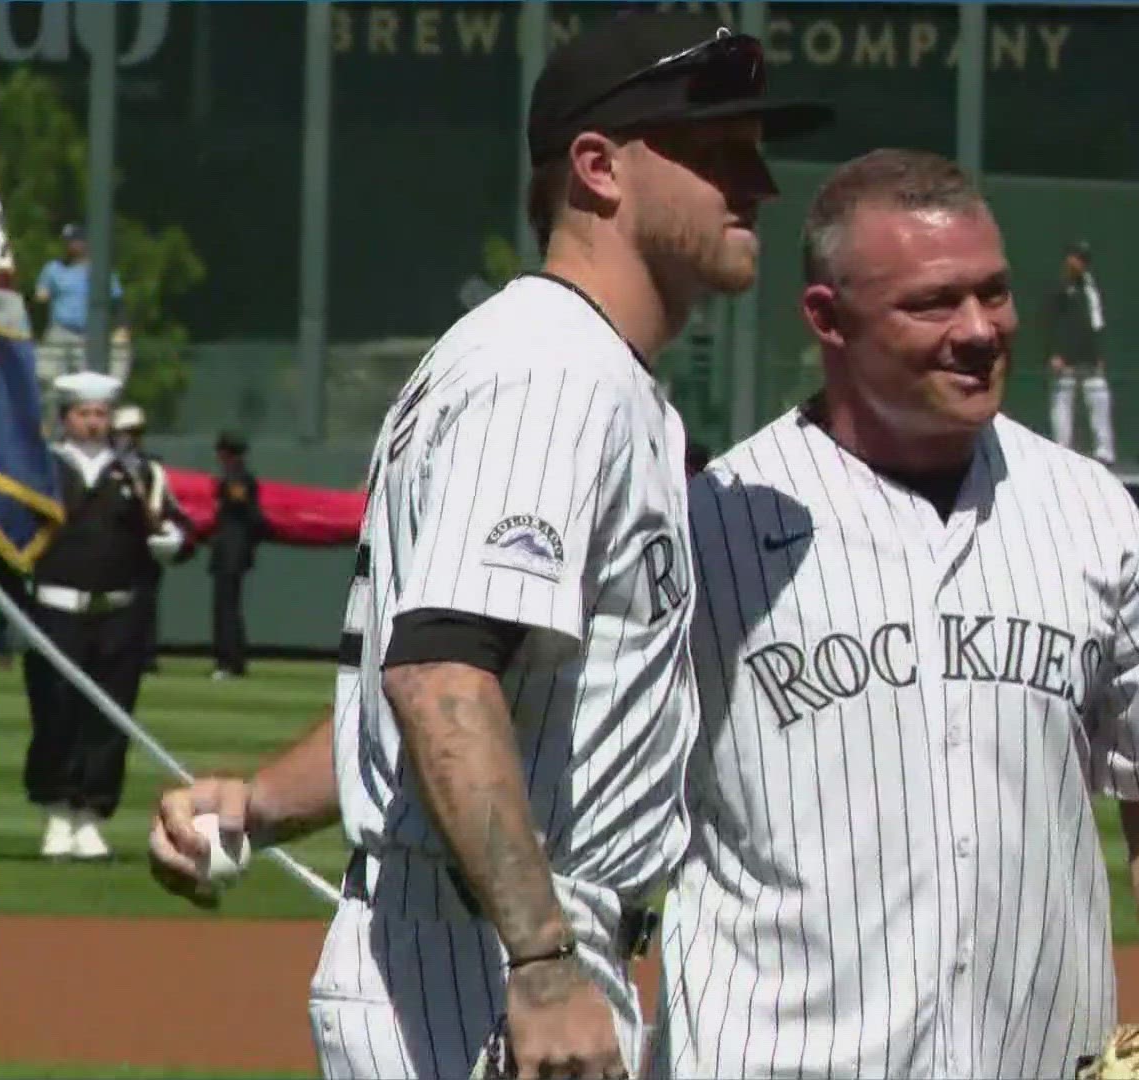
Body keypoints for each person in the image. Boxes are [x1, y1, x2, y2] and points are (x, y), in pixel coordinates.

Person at [144, 14, 829, 1079]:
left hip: (492, 938)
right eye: (717, 150)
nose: (759, 183)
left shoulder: (585, 374)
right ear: (598, 169)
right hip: (491, 959)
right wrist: (544, 959)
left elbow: (455, 684)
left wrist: (258, 805)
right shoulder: (551, 371)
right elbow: (440, 676)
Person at [660, 149, 1139, 1080]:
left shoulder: (1089, 512)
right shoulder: (716, 522)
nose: (979, 329)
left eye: (995, 293)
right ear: (828, 319)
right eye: (934, 302)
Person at [25, 371, 185, 861]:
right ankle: (56, 813)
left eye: (100, 414)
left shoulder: (139, 473)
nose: (93, 423)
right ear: (65, 417)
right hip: (55, 611)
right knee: (55, 714)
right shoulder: (40, 470)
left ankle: (91, 815)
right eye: (83, 414)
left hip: (117, 614)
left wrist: (171, 542)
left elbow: (174, 523)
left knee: (109, 718)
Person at [112, 405, 193, 674]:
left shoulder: (151, 469)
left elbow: (164, 507)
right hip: (112, 545)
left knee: (144, 602)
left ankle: (143, 654)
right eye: (127, 432)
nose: (132, 439)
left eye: (136, 433)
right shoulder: (107, 466)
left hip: (141, 547)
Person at [32, 224, 128, 386]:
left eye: (74, 241)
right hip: (59, 330)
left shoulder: (100, 270)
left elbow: (117, 302)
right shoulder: (54, 268)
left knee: (85, 382)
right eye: (68, 241)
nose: (70, 245)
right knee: (47, 379)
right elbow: (40, 300)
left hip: (87, 335)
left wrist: (122, 327)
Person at [1047, 239, 1116, 464]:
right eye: (1076, 257)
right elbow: (1049, 322)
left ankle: (1104, 450)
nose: (1078, 263)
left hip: (1088, 353)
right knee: (1063, 397)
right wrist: (1054, 352)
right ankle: (1061, 449)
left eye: (1083, 259)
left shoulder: (1091, 288)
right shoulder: (1059, 287)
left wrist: (1099, 353)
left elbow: (1097, 321)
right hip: (1065, 353)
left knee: (1098, 396)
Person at [207, 431, 264, 680]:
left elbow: (244, 511)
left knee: (226, 608)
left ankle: (228, 661)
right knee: (229, 606)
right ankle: (234, 659)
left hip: (230, 551)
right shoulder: (241, 477)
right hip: (236, 551)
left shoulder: (235, 479)